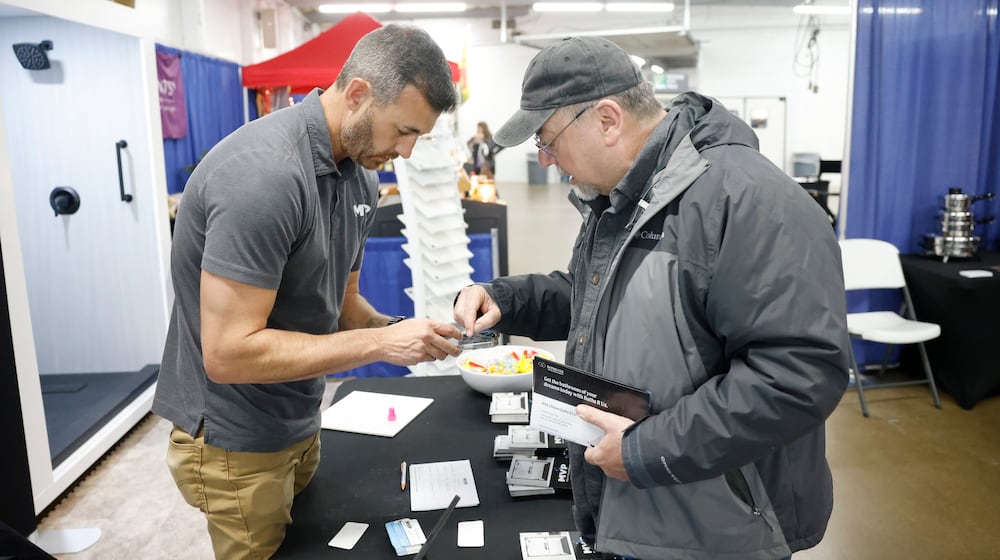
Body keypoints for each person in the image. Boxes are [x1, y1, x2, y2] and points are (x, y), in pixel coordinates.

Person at [453, 36, 850, 560]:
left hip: (720, 527)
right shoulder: (624, 197)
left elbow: (799, 373)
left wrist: (646, 450)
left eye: (547, 140)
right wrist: (507, 297)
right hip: (645, 513)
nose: (546, 160)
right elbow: (604, 296)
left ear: (608, 119)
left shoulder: (748, 200)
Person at [153, 24, 462, 559]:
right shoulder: (264, 178)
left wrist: (399, 330)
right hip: (235, 439)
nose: (407, 153)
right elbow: (227, 353)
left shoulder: (361, 173)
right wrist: (379, 347)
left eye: (420, 137)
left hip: (300, 416)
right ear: (359, 94)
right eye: (403, 131)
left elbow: (342, 307)